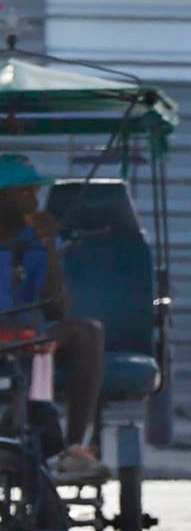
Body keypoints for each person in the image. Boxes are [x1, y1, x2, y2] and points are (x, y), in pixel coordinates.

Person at [0, 155, 108, 482]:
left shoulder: (38, 240)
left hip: (34, 335)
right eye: (24, 193)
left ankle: (73, 447)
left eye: (34, 191)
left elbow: (56, 308)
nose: (34, 200)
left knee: (88, 331)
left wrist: (48, 245)